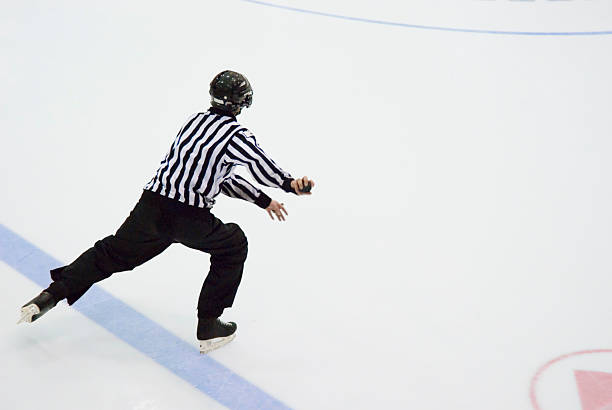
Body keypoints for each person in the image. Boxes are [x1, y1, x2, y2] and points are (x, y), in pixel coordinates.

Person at [17, 70, 315, 354]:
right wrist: (290, 184)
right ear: (241, 102)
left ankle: (49, 296)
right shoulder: (237, 135)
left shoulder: (193, 122)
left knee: (110, 254)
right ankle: (209, 327)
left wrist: (264, 201)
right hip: (188, 217)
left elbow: (222, 177)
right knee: (233, 245)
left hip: (150, 207)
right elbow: (260, 167)